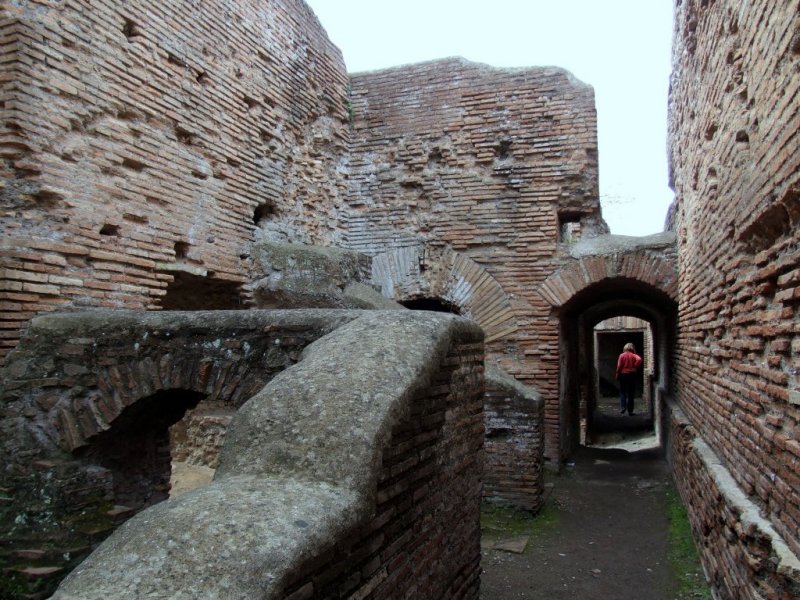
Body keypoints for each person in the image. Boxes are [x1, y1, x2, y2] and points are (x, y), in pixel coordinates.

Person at [616, 342, 642, 415]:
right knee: (631, 393)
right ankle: (630, 410)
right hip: (632, 374)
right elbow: (639, 359)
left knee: (622, 391)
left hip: (623, 374)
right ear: (632, 348)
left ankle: (623, 407)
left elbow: (619, 366)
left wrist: (617, 374)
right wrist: (635, 366)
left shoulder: (621, 355)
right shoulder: (633, 355)